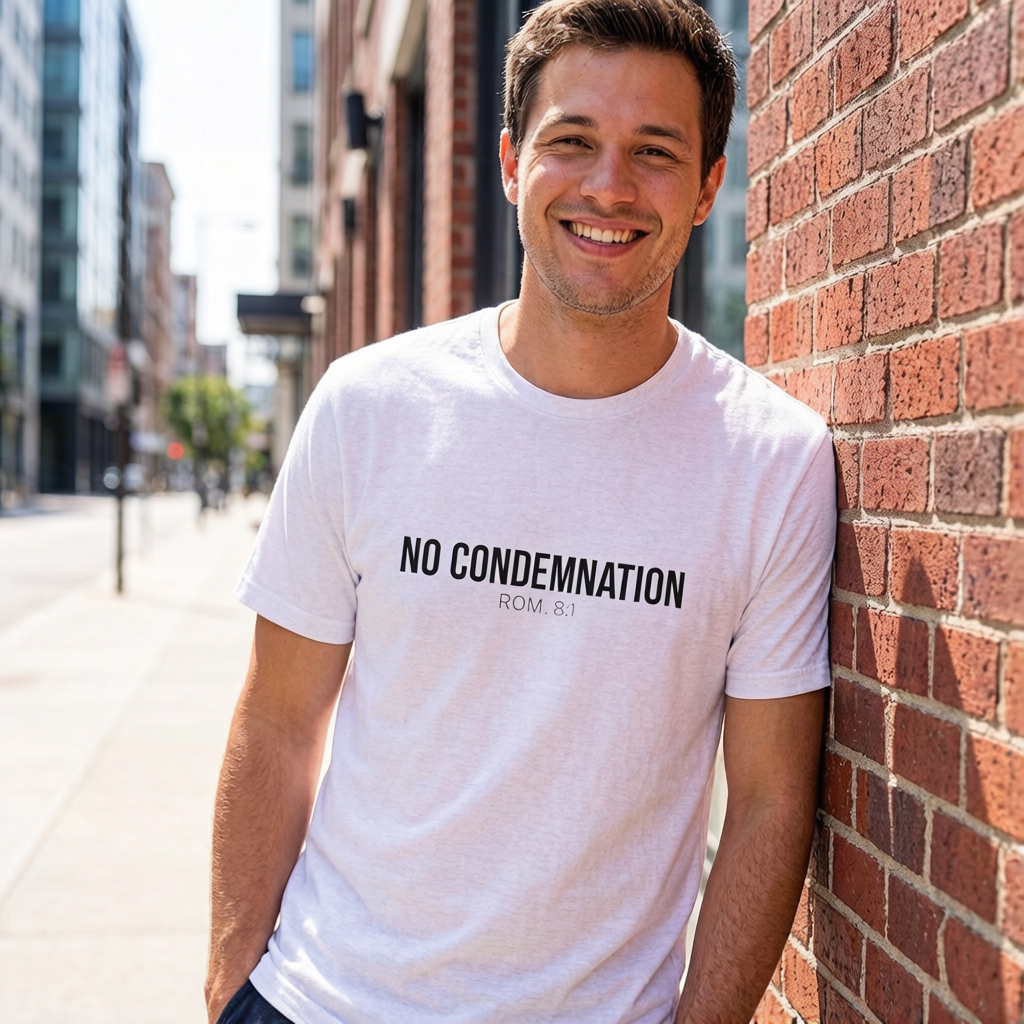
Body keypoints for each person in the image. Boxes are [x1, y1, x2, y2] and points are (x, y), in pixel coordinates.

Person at [205, 1, 836, 1022]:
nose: (608, 186)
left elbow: (768, 798)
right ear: (509, 163)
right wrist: (229, 986)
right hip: (320, 999)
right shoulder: (369, 407)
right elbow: (277, 723)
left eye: (655, 152)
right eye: (571, 141)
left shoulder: (772, 460)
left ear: (711, 185)